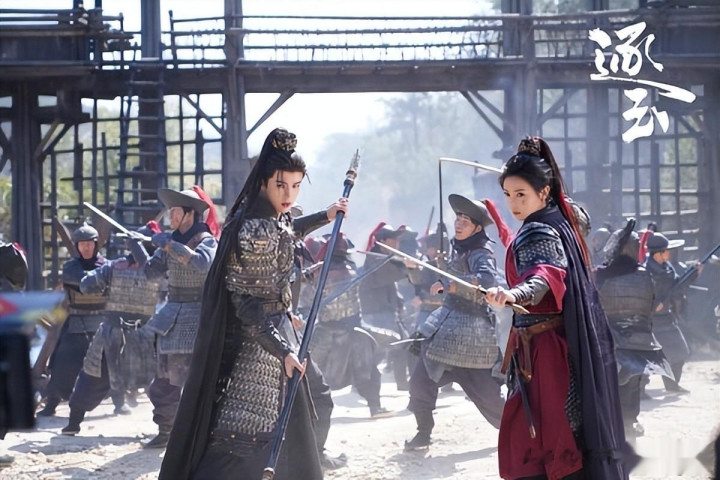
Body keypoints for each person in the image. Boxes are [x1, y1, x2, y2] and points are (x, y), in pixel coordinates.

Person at [158, 127, 347, 479]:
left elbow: (285, 232)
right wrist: (282, 350)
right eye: (281, 185)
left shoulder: (271, 217)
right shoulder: (254, 226)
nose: (288, 195)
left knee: (312, 403)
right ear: (263, 182)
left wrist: (325, 215)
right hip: (259, 343)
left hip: (279, 331)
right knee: (244, 438)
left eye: (296, 186)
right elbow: (246, 304)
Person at [485, 136, 628, 479]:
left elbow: (546, 273)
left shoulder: (538, 230)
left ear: (544, 191)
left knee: (547, 436)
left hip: (546, 353)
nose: (513, 203)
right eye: (508, 194)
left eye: (521, 194)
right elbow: (577, 220)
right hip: (556, 343)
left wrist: (515, 294)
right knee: (557, 429)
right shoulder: (561, 218)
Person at [405, 194, 505, 451]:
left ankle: (524, 432)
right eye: (458, 218)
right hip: (443, 328)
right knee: (420, 381)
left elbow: (486, 280)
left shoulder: (481, 252)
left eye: (465, 221)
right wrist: (414, 268)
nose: (459, 224)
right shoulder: (456, 249)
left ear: (477, 228)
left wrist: (450, 284)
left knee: (489, 398)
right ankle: (423, 433)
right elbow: (426, 280)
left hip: (473, 336)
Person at [61, 222, 164, 435]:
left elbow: (87, 285)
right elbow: (87, 284)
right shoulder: (118, 267)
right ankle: (166, 427)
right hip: (125, 333)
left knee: (158, 382)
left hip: (137, 334)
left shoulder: (152, 270)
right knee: (93, 375)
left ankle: (166, 427)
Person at [137, 186, 219, 448]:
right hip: (172, 315)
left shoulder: (206, 240)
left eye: (175, 211)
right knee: (163, 383)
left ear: (189, 214)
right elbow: (150, 274)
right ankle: (166, 430)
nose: (170, 215)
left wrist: (169, 246)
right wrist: (141, 246)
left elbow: (204, 264)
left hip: (199, 315)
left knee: (200, 383)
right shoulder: (170, 240)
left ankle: (204, 436)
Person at [595, 219, 673, 439]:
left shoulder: (600, 275)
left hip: (613, 340)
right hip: (634, 340)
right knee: (629, 383)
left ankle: (621, 425)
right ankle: (627, 423)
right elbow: (649, 308)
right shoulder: (643, 274)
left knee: (615, 384)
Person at [309, 234, 393, 419]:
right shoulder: (347, 271)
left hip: (332, 330)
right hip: (349, 331)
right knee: (367, 372)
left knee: (313, 373)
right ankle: (375, 407)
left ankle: (310, 413)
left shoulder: (318, 273)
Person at [37, 223, 108, 417]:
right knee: (61, 361)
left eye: (90, 244)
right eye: (82, 244)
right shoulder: (70, 267)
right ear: (77, 246)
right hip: (76, 321)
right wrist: (101, 279)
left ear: (95, 245)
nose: (86, 248)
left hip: (101, 322)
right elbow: (85, 283)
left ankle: (119, 401)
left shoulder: (106, 265)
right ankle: (52, 403)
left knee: (110, 362)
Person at [644, 231, 701, 394]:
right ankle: (638, 391)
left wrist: (693, 273)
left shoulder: (667, 268)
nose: (669, 253)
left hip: (666, 318)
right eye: (666, 250)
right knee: (643, 357)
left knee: (680, 351)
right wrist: (653, 304)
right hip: (649, 321)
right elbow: (641, 293)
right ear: (658, 253)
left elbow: (677, 285)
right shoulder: (645, 271)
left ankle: (672, 384)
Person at [359, 223, 412, 390]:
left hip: (387, 311)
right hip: (376, 312)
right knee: (378, 351)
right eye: (392, 239)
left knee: (402, 345)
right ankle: (361, 381)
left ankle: (402, 384)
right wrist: (406, 265)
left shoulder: (386, 258)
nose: (396, 243)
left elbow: (391, 285)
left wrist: (399, 302)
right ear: (382, 241)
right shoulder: (373, 258)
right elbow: (386, 275)